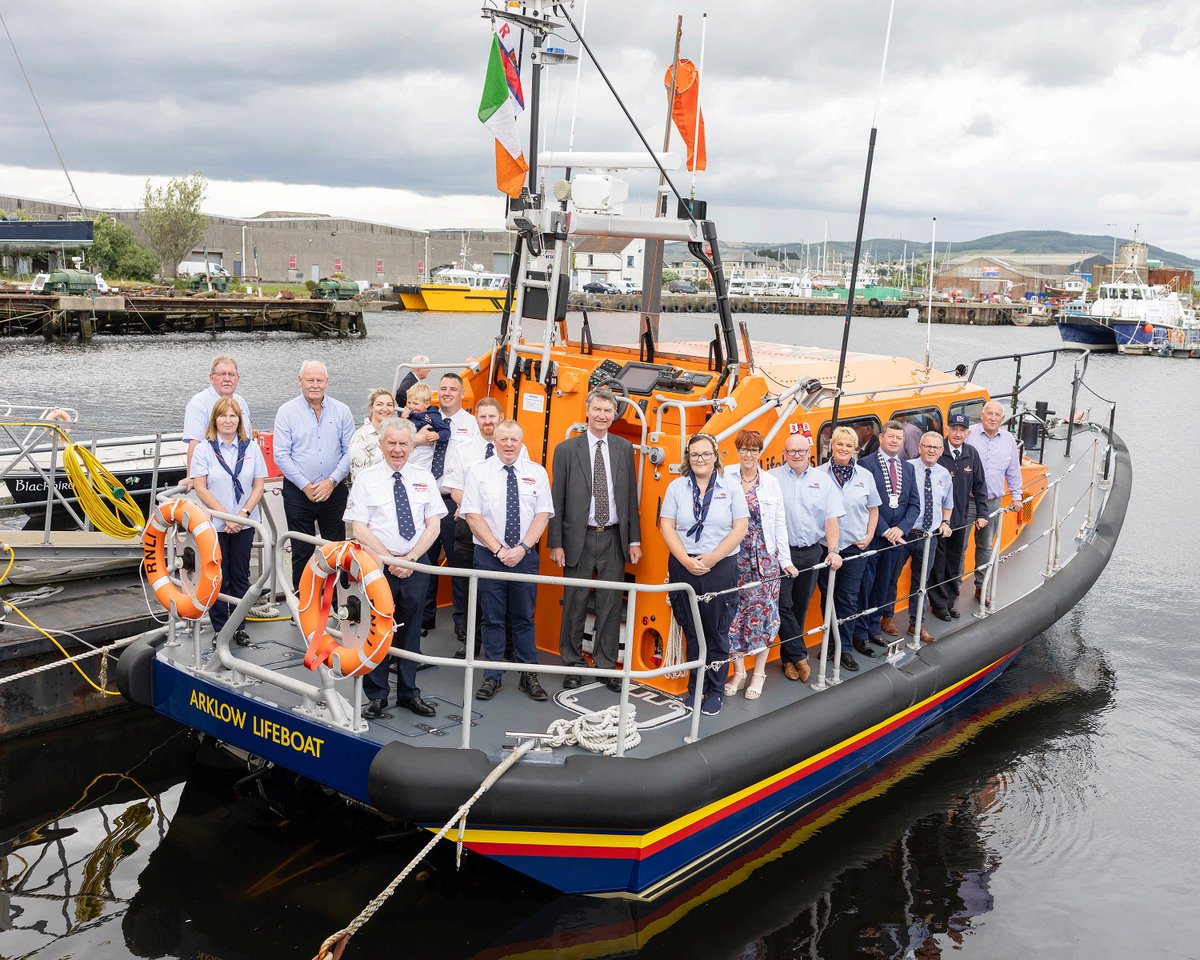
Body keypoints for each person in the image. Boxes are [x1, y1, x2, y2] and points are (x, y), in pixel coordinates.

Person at [344, 418, 446, 719]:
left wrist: (411, 558)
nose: (398, 449)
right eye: (392, 443)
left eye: (404, 443)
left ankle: (408, 693)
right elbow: (358, 526)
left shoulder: (424, 477)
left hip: (414, 564)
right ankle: (376, 696)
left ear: (412, 446)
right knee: (376, 628)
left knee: (412, 629)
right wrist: (389, 559)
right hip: (378, 565)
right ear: (381, 444)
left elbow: (434, 523)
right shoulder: (367, 479)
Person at [548, 388, 642, 691]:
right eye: (597, 409)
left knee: (610, 604)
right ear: (587, 412)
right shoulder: (565, 450)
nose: (602, 415)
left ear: (614, 415)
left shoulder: (624, 448)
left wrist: (634, 541)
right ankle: (572, 664)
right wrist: (556, 543)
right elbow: (556, 500)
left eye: (607, 410)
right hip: (579, 537)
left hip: (613, 536)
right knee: (574, 602)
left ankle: (605, 666)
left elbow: (630, 498)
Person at [460, 419, 554, 702]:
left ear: (521, 442)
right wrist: (500, 550)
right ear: (495, 442)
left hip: (524, 557)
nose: (509, 445)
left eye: (514, 440)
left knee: (524, 617)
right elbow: (473, 516)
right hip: (489, 557)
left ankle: (529, 675)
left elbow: (542, 515)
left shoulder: (537, 473)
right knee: (492, 618)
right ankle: (493, 676)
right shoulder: (479, 473)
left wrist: (522, 548)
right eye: (504, 440)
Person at [661, 433, 749, 716]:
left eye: (705, 454)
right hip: (684, 565)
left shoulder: (731, 488)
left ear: (715, 456)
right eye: (694, 455)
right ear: (688, 458)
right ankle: (695, 688)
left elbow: (740, 528)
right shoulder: (677, 487)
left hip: (719, 566)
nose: (700, 459)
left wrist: (711, 558)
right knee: (692, 630)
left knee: (716, 630)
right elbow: (667, 526)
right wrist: (686, 560)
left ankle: (715, 691)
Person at [190, 397, 266, 646]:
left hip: (244, 523)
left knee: (241, 575)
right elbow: (201, 488)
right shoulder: (204, 449)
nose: (228, 420)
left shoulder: (251, 447)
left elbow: (258, 485)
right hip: (216, 524)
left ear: (239, 420)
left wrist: (242, 515)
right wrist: (226, 516)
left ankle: (239, 626)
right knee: (218, 577)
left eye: (233, 416)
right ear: (215, 420)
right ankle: (221, 629)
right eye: (223, 416)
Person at [273, 360, 355, 589]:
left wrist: (331, 481)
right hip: (299, 493)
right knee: (302, 550)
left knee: (336, 549)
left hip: (334, 490)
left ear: (327, 382)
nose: (315, 385)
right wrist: (306, 486)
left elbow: (350, 451)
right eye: (310, 380)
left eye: (319, 380)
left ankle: (341, 605)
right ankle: (303, 604)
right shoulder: (286, 412)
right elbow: (281, 455)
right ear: (300, 381)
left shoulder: (342, 411)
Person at [771, 432, 845, 676]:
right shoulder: (771, 479)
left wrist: (833, 550)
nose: (796, 455)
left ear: (809, 454)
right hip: (781, 554)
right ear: (784, 453)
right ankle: (800, 656)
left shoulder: (823, 482)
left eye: (801, 451)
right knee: (782, 605)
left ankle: (788, 660)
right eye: (791, 451)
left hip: (811, 552)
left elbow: (831, 519)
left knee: (800, 606)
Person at [441, 397, 511, 650]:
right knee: (467, 582)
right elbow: (454, 488)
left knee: (497, 585)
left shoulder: (515, 448)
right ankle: (469, 637)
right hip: (469, 524)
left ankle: (500, 639)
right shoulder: (463, 449)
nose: (488, 421)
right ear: (476, 418)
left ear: (500, 417)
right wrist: (475, 512)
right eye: (483, 417)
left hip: (503, 528)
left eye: (492, 416)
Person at [722, 430, 788, 700]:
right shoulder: (726, 477)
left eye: (754, 450)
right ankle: (738, 671)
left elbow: (779, 522)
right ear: (737, 451)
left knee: (763, 616)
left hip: (764, 559)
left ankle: (758, 673)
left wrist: (784, 560)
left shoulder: (771, 482)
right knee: (733, 616)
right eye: (744, 449)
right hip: (734, 555)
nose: (749, 454)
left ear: (760, 452)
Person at [816, 425, 880, 666]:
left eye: (848, 445)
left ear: (856, 448)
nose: (843, 448)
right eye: (839, 444)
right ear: (832, 446)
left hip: (855, 547)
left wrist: (869, 535)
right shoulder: (819, 475)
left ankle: (844, 648)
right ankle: (828, 646)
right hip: (826, 547)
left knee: (849, 599)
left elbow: (873, 509)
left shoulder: (865, 476)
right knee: (827, 597)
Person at [425, 372, 481, 636]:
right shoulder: (425, 419)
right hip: (425, 501)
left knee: (459, 566)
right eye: (443, 388)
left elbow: (475, 466)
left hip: (452, 504)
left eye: (452, 389)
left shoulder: (471, 425)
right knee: (424, 563)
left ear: (461, 394)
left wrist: (465, 502)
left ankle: (461, 622)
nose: (447, 393)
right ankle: (424, 618)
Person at [859, 420, 920, 648]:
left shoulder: (908, 468)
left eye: (899, 438)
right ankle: (861, 632)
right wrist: (884, 530)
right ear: (882, 438)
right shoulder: (865, 464)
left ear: (903, 441)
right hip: (874, 537)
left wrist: (900, 529)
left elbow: (914, 504)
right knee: (867, 585)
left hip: (897, 540)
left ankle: (874, 628)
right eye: (890, 436)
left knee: (885, 584)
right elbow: (865, 502)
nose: (894, 441)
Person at [930, 414, 989, 620]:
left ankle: (949, 601)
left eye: (961, 430)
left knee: (954, 563)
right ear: (947, 429)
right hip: (937, 522)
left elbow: (980, 486)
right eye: (954, 429)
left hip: (960, 520)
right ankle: (938, 605)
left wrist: (982, 513)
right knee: (938, 563)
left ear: (967, 433)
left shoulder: (971, 454)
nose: (957, 433)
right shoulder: (938, 452)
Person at [967, 400, 1024, 601]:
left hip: (991, 502)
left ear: (1002, 419)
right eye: (989, 414)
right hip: (966, 501)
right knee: (959, 546)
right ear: (982, 415)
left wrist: (1017, 497)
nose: (992, 418)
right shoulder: (968, 434)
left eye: (997, 415)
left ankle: (981, 587)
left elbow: (1013, 471)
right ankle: (952, 588)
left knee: (985, 547)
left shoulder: (1008, 440)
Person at [902, 431, 955, 641]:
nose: (931, 450)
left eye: (936, 447)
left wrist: (945, 522)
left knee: (921, 582)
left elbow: (948, 505)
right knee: (890, 579)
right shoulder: (907, 468)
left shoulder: (944, 475)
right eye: (928, 446)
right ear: (920, 447)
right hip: (905, 535)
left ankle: (917, 625)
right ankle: (885, 620)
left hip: (928, 536)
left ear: (941, 451)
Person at [183, 355, 252, 476]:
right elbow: (195, 443)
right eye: (221, 374)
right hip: (213, 474)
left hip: (242, 472)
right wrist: (191, 478)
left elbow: (248, 436)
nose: (227, 379)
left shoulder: (241, 402)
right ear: (211, 377)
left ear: (238, 378)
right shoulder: (198, 403)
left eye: (231, 374)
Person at [402, 383, 451, 473]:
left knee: (420, 474)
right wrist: (403, 419)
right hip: (408, 449)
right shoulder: (409, 415)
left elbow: (446, 431)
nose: (411, 406)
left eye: (416, 403)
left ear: (427, 404)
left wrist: (437, 435)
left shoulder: (433, 416)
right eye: (409, 402)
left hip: (424, 451)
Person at [348, 388, 395, 482]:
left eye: (389, 405)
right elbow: (358, 477)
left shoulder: (396, 434)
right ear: (371, 407)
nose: (385, 409)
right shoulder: (361, 437)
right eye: (379, 404)